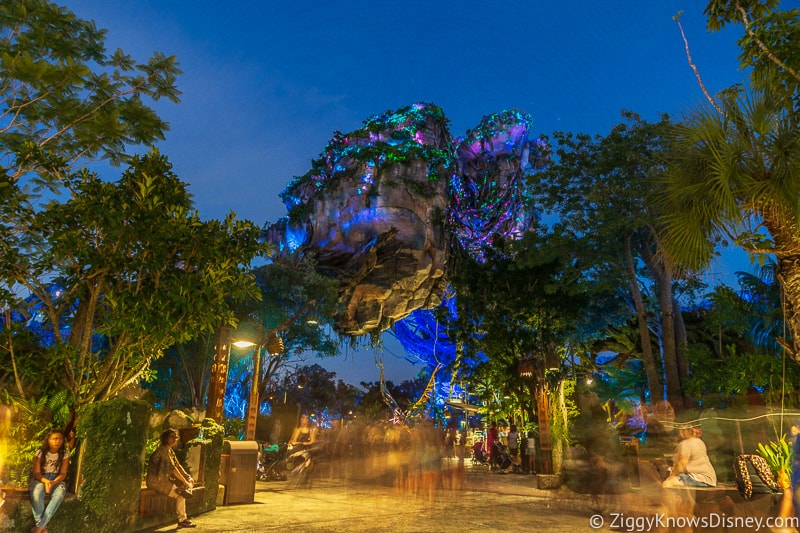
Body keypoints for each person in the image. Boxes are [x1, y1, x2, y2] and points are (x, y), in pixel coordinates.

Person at [146, 429, 197, 529]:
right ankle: (182, 520)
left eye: (175, 437)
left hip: (163, 481)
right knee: (181, 494)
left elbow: (178, 466)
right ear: (165, 438)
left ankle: (183, 520)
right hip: (156, 481)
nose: (174, 439)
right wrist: (184, 481)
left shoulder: (170, 451)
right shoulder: (163, 450)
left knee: (183, 490)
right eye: (171, 437)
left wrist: (188, 477)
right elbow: (173, 469)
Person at [29, 429, 69, 533]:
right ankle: (41, 527)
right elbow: (36, 473)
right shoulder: (40, 453)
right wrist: (46, 481)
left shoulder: (64, 454)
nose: (57, 441)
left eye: (60, 439)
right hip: (41, 478)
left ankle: (38, 527)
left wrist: (54, 482)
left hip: (56, 479)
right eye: (54, 439)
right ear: (48, 440)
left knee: (60, 493)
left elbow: (63, 474)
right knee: (37, 492)